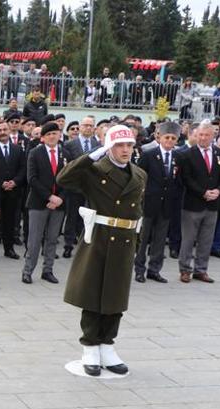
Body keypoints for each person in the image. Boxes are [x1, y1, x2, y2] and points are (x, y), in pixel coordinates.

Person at [57, 124, 147, 377]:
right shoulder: (95, 170)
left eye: (129, 145)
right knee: (93, 294)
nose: (126, 150)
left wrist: (137, 241)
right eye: (120, 145)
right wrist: (92, 156)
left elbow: (139, 209)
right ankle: (90, 347)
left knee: (116, 297)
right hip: (100, 239)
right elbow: (63, 179)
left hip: (126, 239)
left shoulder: (139, 174)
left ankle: (108, 345)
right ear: (109, 147)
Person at [178, 120, 220, 283]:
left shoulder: (219, 153)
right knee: (188, 239)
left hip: (213, 204)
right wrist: (203, 192)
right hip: (193, 204)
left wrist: (219, 191)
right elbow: (186, 178)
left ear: (213, 136)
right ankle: (185, 269)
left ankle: (201, 270)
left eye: (206, 135)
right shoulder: (187, 154)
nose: (203, 138)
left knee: (206, 239)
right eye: (200, 134)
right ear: (196, 135)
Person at [133, 121, 181, 283]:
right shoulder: (149, 154)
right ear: (159, 137)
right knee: (144, 238)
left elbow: (178, 181)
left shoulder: (178, 157)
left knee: (160, 240)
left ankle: (154, 269)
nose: (169, 141)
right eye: (167, 137)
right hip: (149, 203)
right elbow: (139, 177)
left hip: (167, 205)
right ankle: (139, 269)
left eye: (173, 138)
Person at [22, 122, 65, 284]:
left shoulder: (65, 153)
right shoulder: (35, 153)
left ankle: (48, 270)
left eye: (55, 133)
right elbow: (32, 179)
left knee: (52, 238)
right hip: (39, 203)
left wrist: (60, 198)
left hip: (59, 204)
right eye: (49, 134)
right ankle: (27, 271)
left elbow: (69, 179)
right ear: (43, 138)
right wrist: (49, 197)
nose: (53, 137)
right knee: (34, 239)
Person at [0, 119, 26, 259]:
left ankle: (9, 249)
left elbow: (23, 168)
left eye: (5, 130)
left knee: (10, 222)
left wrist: (14, 182)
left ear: (9, 131)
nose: (2, 132)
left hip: (13, 192)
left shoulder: (18, 149)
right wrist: (1, 182)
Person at [62, 116, 100, 258]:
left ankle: (84, 244)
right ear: (80, 127)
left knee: (87, 218)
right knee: (71, 216)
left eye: (91, 125)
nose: (88, 128)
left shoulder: (98, 144)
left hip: (90, 187)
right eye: (85, 125)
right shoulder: (70, 144)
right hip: (74, 187)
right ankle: (68, 244)